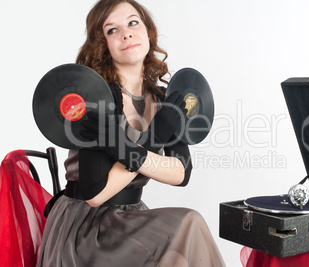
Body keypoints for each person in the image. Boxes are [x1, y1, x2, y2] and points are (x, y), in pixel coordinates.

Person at [36, 0, 225, 266]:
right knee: (188, 225)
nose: (126, 33)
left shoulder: (162, 98)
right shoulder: (97, 98)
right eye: (112, 30)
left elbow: (181, 173)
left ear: (147, 32)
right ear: (103, 45)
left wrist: (125, 151)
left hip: (129, 219)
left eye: (133, 23)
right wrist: (155, 139)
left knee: (180, 250)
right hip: (85, 228)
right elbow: (96, 194)